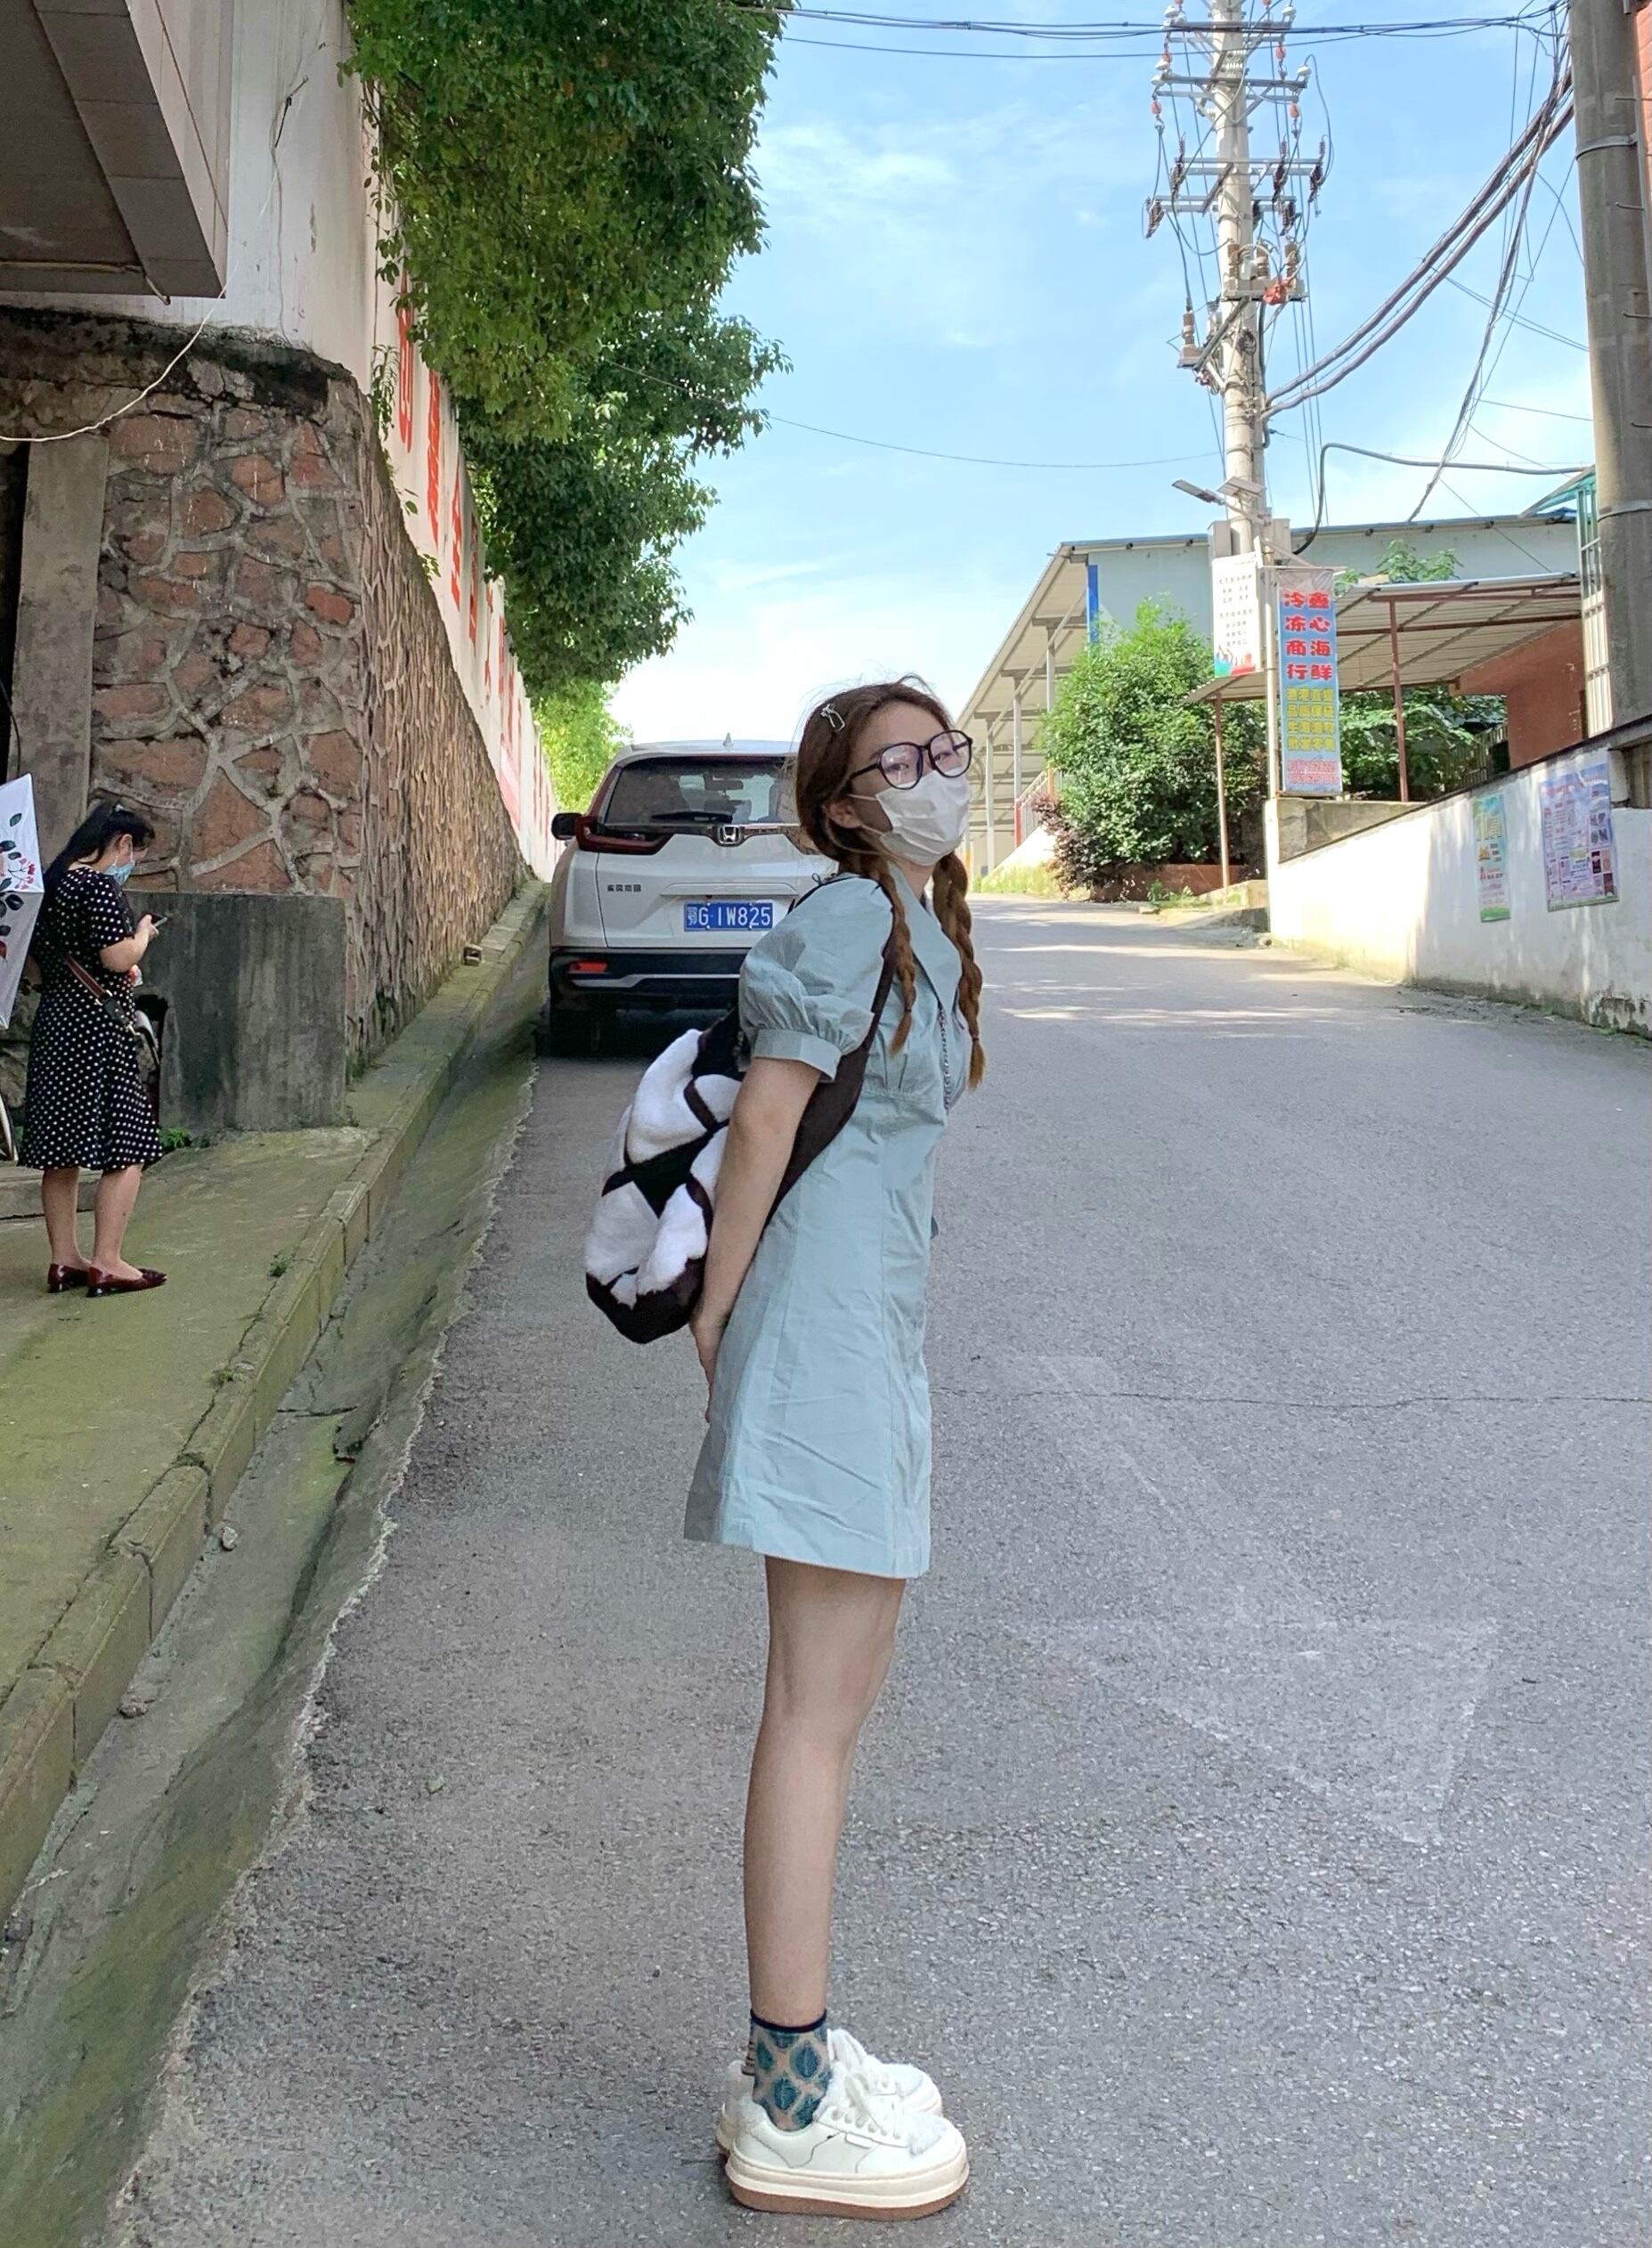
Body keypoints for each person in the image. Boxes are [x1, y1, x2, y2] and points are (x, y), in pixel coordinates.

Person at [685, 680, 987, 2220]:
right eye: (900, 761)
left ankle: (791, 2059)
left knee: (833, 1710)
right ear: (845, 803)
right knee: (811, 1718)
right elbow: (766, 1121)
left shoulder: (915, 921)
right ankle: (791, 2099)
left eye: (947, 749)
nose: (937, 774)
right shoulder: (850, 919)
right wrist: (717, 1311)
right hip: (820, 1343)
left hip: (864, 1340)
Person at [21, 801, 166, 1296]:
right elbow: (116, 955)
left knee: (61, 1149)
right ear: (122, 843)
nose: (131, 864)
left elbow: (39, 966)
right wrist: (142, 935)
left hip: (56, 1025)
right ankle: (108, 1261)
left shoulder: (51, 885)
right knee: (128, 1142)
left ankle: (64, 1260)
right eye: (135, 854)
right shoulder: (98, 886)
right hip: (97, 1032)